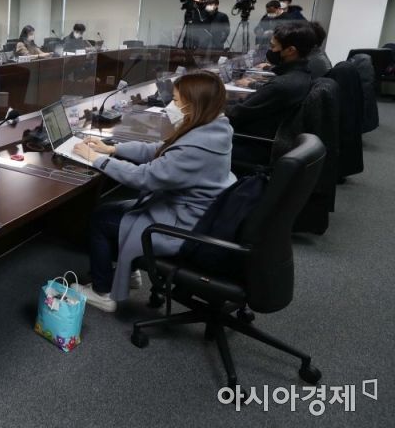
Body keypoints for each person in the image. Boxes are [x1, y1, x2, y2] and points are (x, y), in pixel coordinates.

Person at [70, 72, 235, 312]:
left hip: (182, 227)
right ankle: (130, 272)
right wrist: (113, 149)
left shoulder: (197, 146)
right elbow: (160, 150)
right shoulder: (214, 130)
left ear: (194, 105)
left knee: (101, 219)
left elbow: (144, 177)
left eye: (176, 101)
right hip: (193, 214)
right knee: (114, 211)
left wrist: (96, 159)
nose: (171, 106)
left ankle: (102, 292)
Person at [227, 21, 315, 156]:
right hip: (265, 137)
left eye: (273, 46)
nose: (270, 50)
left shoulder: (281, 85)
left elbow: (236, 115)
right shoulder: (302, 75)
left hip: (251, 143)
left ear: (290, 50)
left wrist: (211, 107)